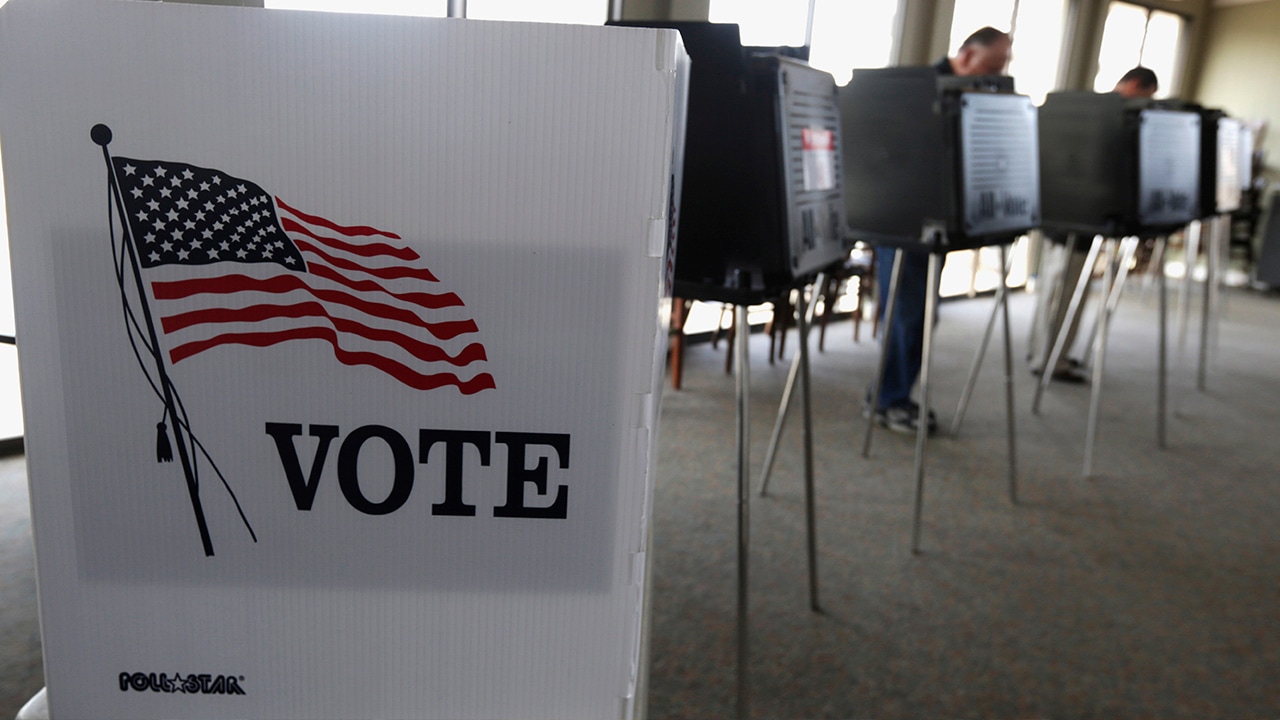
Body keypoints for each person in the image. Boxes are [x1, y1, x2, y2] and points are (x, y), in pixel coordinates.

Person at [867, 27, 1013, 434]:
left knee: (919, 315)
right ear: (966, 55)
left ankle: (886, 394)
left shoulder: (968, 92)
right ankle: (890, 400)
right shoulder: (915, 88)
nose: (997, 74)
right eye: (993, 64)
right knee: (908, 315)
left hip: (937, 221)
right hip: (901, 219)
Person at [1029, 67, 1159, 383]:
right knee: (1063, 289)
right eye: (1146, 95)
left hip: (1061, 212)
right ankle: (1049, 359)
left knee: (1055, 287)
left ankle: (1043, 351)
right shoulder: (1111, 116)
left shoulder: (1086, 110)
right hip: (1078, 218)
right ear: (1135, 85)